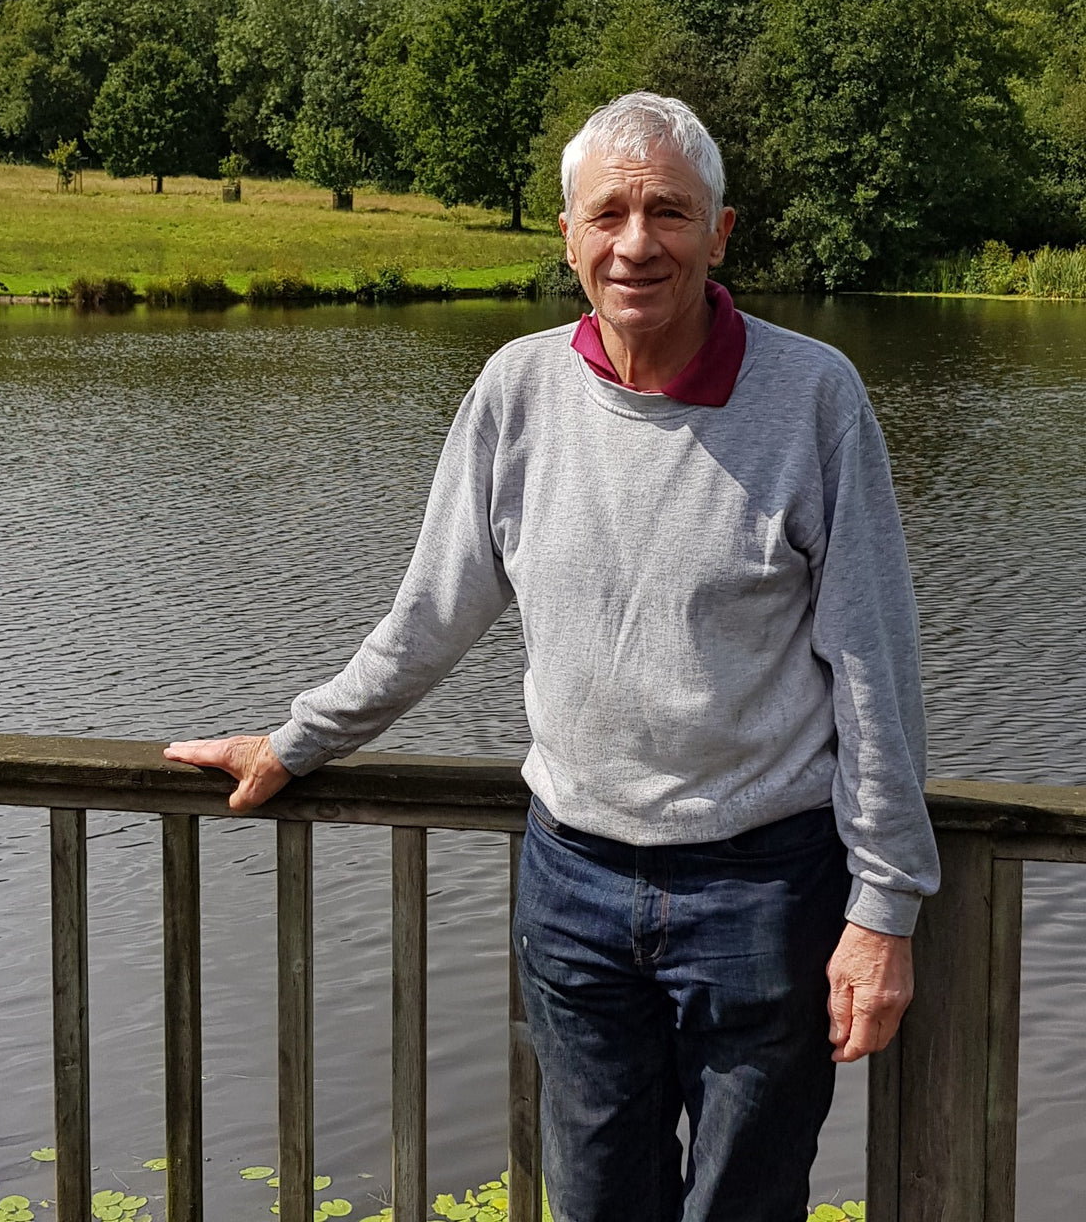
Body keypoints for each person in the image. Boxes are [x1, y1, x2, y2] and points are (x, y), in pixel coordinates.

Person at [167, 92, 940, 1222]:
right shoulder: (515, 391)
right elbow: (430, 614)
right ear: (568, 233)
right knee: (591, 1205)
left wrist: (882, 906)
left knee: (744, 1204)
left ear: (719, 234)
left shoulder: (812, 397)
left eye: (668, 212)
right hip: (571, 883)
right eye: (608, 213)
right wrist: (294, 740)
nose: (636, 243)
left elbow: (874, 668)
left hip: (763, 887)